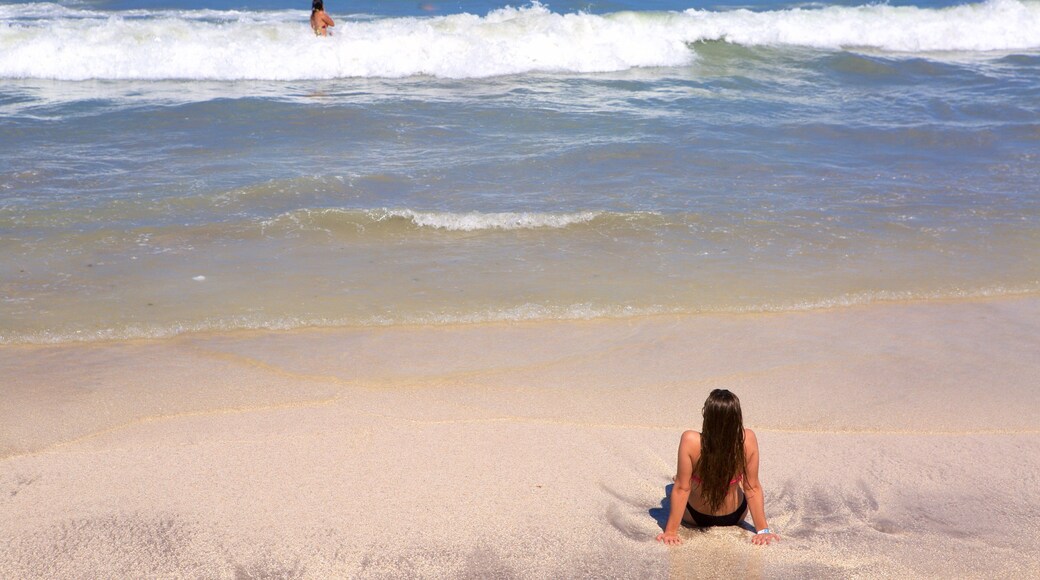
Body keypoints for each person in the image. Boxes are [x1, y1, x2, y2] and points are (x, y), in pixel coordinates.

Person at [656, 389, 780, 546]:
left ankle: (685, 476)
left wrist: (671, 532)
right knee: (738, 481)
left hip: (696, 517)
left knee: (679, 483)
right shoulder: (747, 439)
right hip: (735, 516)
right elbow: (752, 487)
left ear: (707, 416)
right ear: (737, 417)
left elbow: (682, 489)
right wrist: (763, 530)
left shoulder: (691, 440)